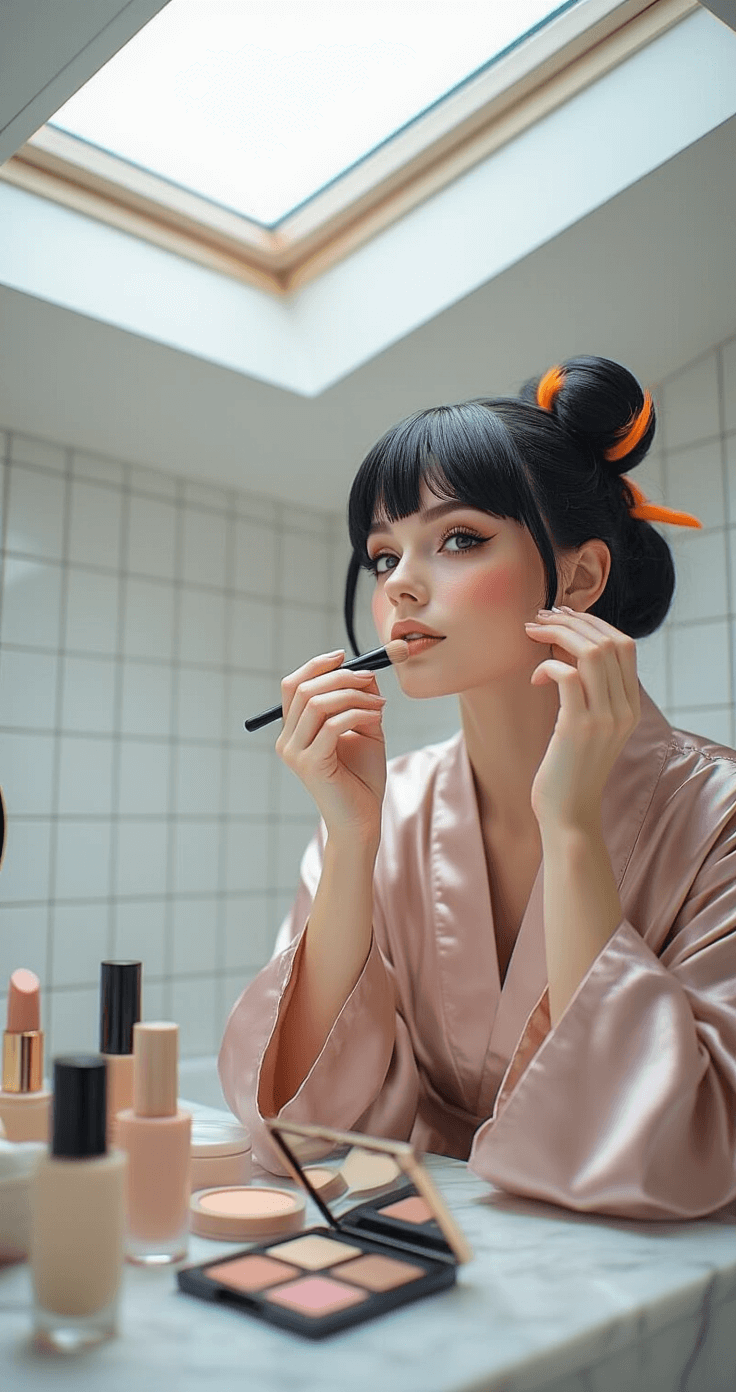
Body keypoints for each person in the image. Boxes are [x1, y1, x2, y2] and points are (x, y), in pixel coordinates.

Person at [219, 354, 736, 1220]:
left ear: (578, 578)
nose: (401, 587)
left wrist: (572, 829)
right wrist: (350, 842)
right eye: (382, 556)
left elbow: (674, 1149)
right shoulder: (390, 807)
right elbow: (297, 1132)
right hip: (434, 1253)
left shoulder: (719, 813)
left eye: (458, 539)